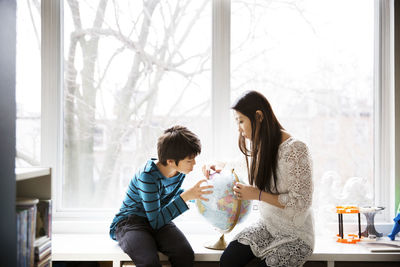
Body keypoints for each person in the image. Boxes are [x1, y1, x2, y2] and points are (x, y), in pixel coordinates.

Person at [203, 91, 314, 267]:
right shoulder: (262, 146)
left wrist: (258, 195)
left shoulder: (296, 149)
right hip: (268, 227)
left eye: (241, 121)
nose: (239, 128)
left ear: (259, 116)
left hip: (296, 235)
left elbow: (302, 201)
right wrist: (218, 165)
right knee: (228, 260)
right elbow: (241, 164)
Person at [110, 125, 213, 267]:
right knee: (149, 262)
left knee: (185, 254)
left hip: (158, 218)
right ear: (170, 161)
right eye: (189, 160)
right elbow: (156, 221)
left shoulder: (178, 172)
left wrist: (199, 193)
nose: (194, 164)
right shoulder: (147, 176)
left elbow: (168, 195)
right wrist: (186, 197)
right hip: (131, 222)